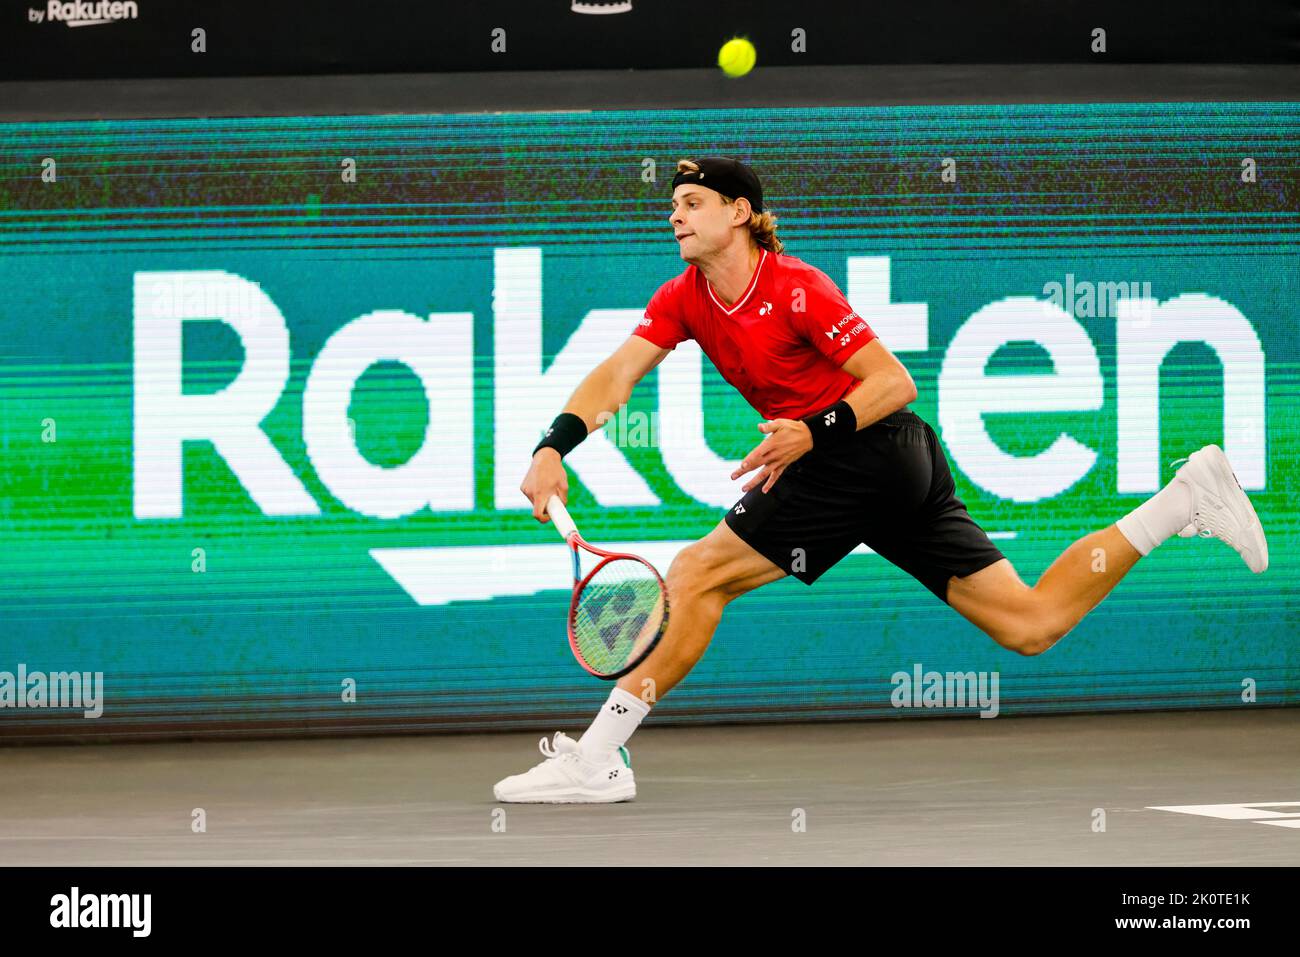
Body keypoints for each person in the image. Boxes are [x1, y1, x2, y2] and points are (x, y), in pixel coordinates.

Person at [494, 156, 1269, 803]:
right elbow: (616, 375)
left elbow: (894, 381)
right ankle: (1183, 499)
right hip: (886, 468)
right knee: (1029, 624)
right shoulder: (684, 298)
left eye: (693, 203)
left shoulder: (797, 287)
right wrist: (553, 445)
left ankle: (597, 758)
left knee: (698, 574)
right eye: (672, 205)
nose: (676, 216)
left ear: (739, 212)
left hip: (863, 450)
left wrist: (810, 430)